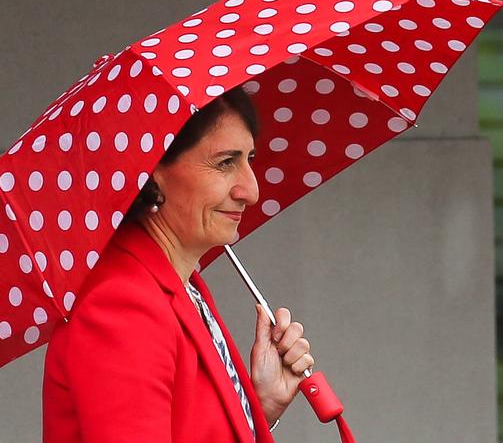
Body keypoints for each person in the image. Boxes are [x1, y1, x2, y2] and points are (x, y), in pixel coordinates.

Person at [42, 87, 314, 442]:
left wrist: (257, 407)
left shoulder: (179, 285)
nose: (251, 190)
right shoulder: (123, 306)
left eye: (250, 159)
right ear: (153, 171)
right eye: (225, 163)